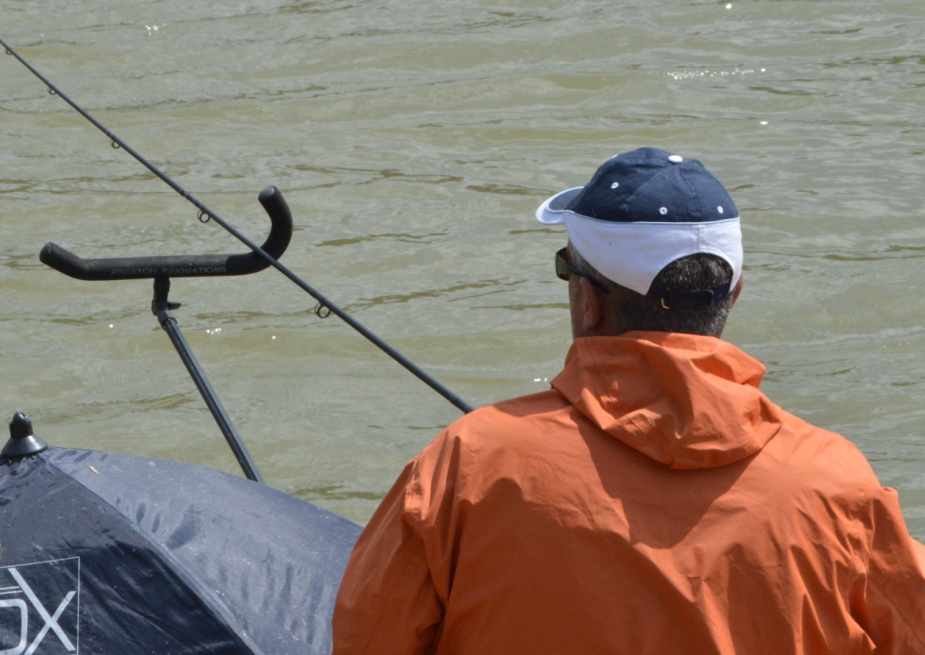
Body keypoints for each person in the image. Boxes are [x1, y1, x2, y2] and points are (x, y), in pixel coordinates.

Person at [331, 147, 925, 654]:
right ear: (734, 294)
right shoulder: (836, 481)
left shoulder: (467, 462)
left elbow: (368, 636)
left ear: (589, 301)